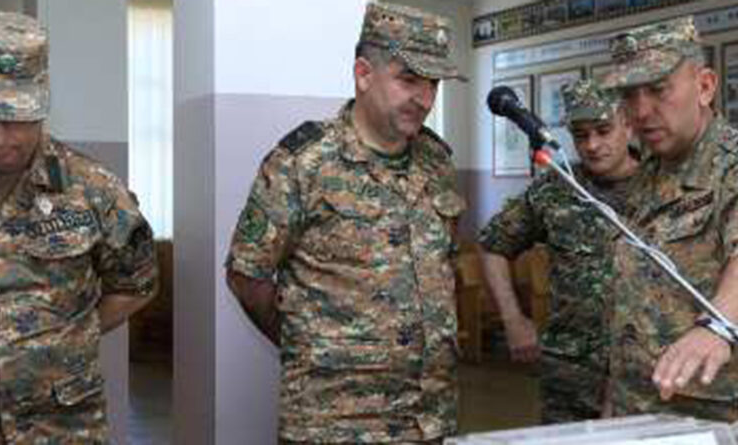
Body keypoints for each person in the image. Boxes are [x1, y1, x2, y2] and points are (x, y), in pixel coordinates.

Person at [225, 2, 467, 443]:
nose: (425, 98)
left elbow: (445, 265)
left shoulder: (438, 162)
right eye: (409, 79)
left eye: (433, 83)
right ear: (363, 74)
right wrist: (311, 342)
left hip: (428, 417)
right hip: (334, 421)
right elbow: (247, 275)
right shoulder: (303, 161)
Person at [0, 11, 157, 442]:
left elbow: (137, 283)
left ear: (43, 99)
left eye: (17, 118)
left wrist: (69, 337)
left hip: (61, 429)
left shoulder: (93, 189)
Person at [477, 79, 639, 423]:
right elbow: (492, 246)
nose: (592, 145)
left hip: (646, 377)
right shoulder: (557, 188)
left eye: (603, 131)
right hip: (570, 377)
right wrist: (513, 319)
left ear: (628, 125)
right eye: (581, 135)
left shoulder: (662, 186)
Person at [603, 16, 738, 420]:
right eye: (629, 95)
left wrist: (717, 325)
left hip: (713, 412)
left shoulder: (730, 165)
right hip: (637, 405)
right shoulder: (647, 174)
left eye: (659, 89)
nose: (641, 111)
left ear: (705, 87)